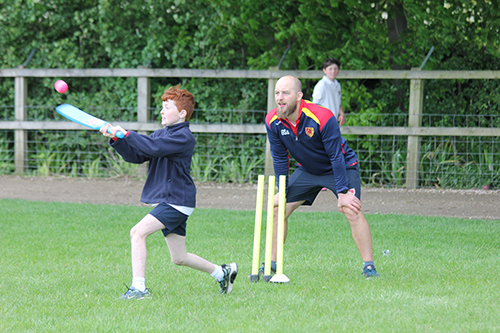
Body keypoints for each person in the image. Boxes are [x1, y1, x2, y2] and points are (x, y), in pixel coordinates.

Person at [100, 85, 238, 300]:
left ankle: (139, 289)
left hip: (176, 201)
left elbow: (154, 147)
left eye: (167, 107)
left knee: (137, 232)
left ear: (182, 113)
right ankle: (222, 272)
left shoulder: (184, 137)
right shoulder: (161, 134)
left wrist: (126, 133)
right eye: (162, 107)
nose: (162, 111)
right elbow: (138, 155)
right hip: (171, 201)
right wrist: (118, 140)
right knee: (179, 257)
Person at [264, 75, 379, 278]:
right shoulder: (272, 121)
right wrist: (282, 191)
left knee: (350, 208)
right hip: (308, 170)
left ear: (299, 95)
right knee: (277, 209)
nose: (280, 98)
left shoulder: (322, 116)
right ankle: (272, 264)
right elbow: (280, 157)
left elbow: (336, 156)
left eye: (285, 93)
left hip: (341, 167)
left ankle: (368, 266)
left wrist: (343, 192)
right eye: (277, 93)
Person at [312, 57, 346, 126]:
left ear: (339, 70)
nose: (333, 71)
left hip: (333, 121)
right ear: (324, 70)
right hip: (323, 122)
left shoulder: (337, 84)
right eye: (330, 69)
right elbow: (314, 105)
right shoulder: (321, 85)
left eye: (335, 69)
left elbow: (338, 103)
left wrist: (342, 113)